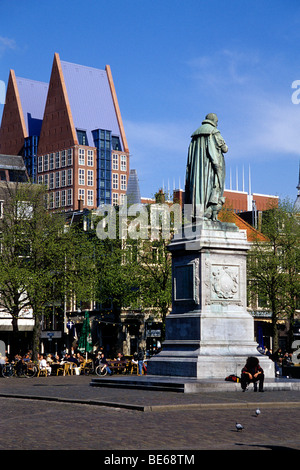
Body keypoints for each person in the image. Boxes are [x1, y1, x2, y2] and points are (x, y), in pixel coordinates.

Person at [184, 113, 228, 221]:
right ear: (214, 121)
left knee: (197, 188)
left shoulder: (194, 137)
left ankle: (196, 214)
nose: (217, 124)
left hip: (195, 170)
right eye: (217, 122)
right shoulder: (214, 132)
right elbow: (225, 149)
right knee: (208, 188)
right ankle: (206, 214)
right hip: (209, 168)